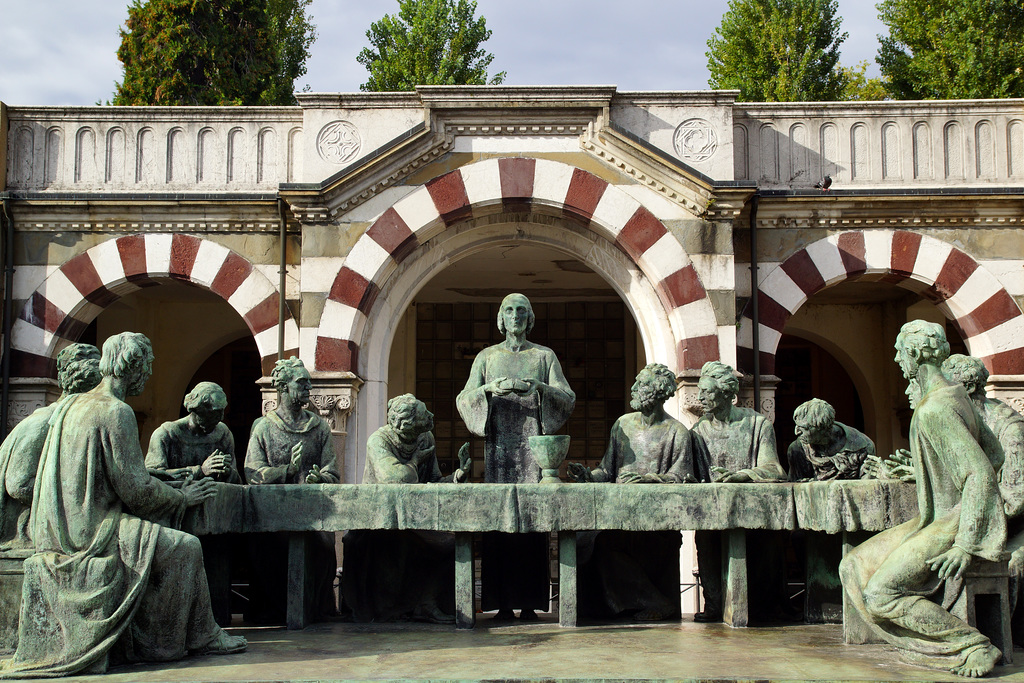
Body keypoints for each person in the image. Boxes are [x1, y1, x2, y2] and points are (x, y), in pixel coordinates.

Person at [0, 332, 245, 679]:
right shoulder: (116, 412)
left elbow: (114, 477)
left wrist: (168, 482)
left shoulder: (73, 405)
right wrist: (182, 497)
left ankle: (176, 635)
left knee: (169, 543)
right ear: (131, 367)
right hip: (93, 532)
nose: (147, 376)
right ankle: (191, 638)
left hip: (61, 527)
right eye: (145, 367)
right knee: (185, 547)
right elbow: (136, 490)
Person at [840, 321, 1005, 678]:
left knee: (880, 594)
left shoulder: (935, 409)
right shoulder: (956, 395)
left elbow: (979, 472)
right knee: (851, 565)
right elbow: (995, 455)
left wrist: (964, 542)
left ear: (914, 355)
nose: (898, 361)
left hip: (953, 524)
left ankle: (973, 644)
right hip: (934, 518)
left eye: (900, 354)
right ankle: (918, 644)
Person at [456, 293, 575, 621]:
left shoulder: (544, 356)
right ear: (501, 319)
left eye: (522, 310)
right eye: (509, 310)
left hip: (532, 452)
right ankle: (503, 604)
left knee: (532, 524)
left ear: (530, 318)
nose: (515, 315)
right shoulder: (486, 357)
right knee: (500, 525)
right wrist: (488, 390)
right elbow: (464, 397)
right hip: (498, 452)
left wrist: (539, 387)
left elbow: (566, 397)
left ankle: (530, 603)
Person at [568, 363, 696, 621]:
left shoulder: (677, 433)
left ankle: (655, 602)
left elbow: (681, 478)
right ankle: (600, 610)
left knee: (604, 544)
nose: (634, 389)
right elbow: (607, 471)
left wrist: (648, 479)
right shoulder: (623, 425)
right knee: (583, 540)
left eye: (642, 385)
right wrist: (588, 476)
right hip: (620, 519)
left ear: (659, 392)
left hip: (656, 525)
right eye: (635, 383)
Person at [342, 394, 469, 623]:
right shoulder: (379, 441)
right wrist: (415, 461)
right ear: (407, 423)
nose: (431, 416)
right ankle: (396, 606)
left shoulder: (425, 438)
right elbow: (396, 478)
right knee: (389, 545)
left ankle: (427, 604)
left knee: (451, 544)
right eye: (424, 415)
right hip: (379, 520)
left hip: (415, 519)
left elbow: (434, 480)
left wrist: (457, 477)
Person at [691, 360, 786, 623]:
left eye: (707, 392)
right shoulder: (698, 431)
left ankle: (759, 607)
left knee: (763, 548)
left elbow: (775, 469)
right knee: (707, 541)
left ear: (726, 393)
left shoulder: (757, 424)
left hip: (753, 512)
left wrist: (743, 475)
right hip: (713, 513)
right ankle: (714, 603)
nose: (700, 398)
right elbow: (695, 475)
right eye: (700, 391)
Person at [245, 357, 338, 623]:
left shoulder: (319, 427)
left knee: (321, 548)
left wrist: (320, 478)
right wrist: (286, 470)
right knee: (270, 551)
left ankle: (314, 608)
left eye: (309, 383)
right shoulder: (263, 427)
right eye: (302, 383)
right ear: (283, 388)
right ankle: (274, 610)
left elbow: (333, 472)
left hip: (311, 513)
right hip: (273, 516)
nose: (309, 388)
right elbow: (252, 473)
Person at [943, 353, 1024, 647]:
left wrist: (967, 520)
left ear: (967, 389)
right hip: (975, 520)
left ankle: (993, 642)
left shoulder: (1009, 428)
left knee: (1013, 564)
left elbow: (1016, 500)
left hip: (1011, 530)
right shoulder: (965, 424)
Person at [146, 381, 241, 625]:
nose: (217, 419)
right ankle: (180, 622)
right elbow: (152, 477)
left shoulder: (223, 433)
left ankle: (217, 623)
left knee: (218, 564)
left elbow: (236, 480)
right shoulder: (166, 434)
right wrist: (199, 470)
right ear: (195, 409)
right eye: (212, 413)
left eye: (221, 413)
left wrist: (227, 471)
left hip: (215, 519)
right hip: (178, 519)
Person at [0, 343, 100, 550]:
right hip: (25, 529)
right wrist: (72, 495)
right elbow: (18, 484)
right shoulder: (43, 422)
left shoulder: (72, 420)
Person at [787, 398, 875, 481]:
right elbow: (795, 486)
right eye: (796, 425)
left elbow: (868, 488)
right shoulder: (797, 449)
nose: (796, 432)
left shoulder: (862, 446)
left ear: (822, 428)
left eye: (804, 428)